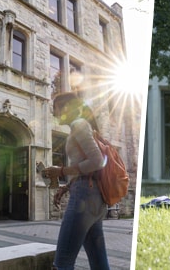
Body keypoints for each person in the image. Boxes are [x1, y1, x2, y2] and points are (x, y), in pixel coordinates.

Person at [42, 92, 109, 270]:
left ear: (65, 108)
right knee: (99, 264)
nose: (53, 114)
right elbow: (87, 166)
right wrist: (66, 186)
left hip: (84, 198)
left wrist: (61, 170)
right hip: (95, 198)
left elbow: (97, 161)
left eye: (54, 109)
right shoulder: (80, 126)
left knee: (62, 262)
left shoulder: (79, 125)